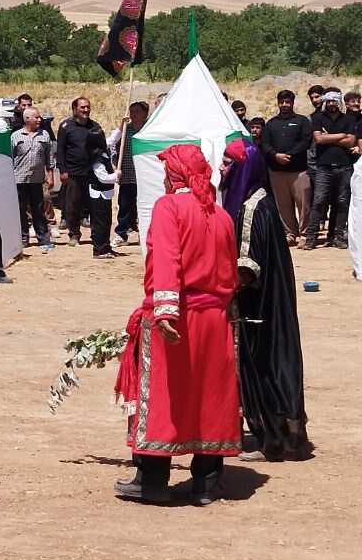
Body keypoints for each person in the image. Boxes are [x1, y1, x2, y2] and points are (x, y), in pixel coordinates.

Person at [111, 144, 241, 506]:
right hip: (215, 318)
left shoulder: (169, 207)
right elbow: (230, 271)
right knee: (208, 395)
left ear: (176, 175)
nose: (165, 177)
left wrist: (165, 311)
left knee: (165, 396)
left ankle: (151, 479)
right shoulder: (221, 214)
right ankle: (207, 483)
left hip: (178, 317)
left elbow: (167, 258)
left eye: (168, 171)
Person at [221, 138, 309, 462]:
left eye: (229, 163)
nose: (223, 169)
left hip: (258, 310)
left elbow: (247, 268)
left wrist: (220, 292)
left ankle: (270, 437)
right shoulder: (261, 201)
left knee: (261, 365)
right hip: (271, 304)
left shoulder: (251, 209)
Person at [261, 90, 313, 246]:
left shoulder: (302, 121)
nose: (284, 105)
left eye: (287, 102)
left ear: (292, 103)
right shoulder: (271, 123)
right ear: (278, 103)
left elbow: (306, 141)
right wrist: (275, 155)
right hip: (276, 171)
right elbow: (264, 142)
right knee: (283, 205)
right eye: (282, 102)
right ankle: (289, 234)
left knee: (303, 203)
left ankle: (305, 234)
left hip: (298, 171)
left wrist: (289, 155)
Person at [305, 88, 355, 249]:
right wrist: (341, 135)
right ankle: (311, 237)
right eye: (329, 101)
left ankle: (337, 236)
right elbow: (318, 139)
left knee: (341, 202)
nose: (331, 103)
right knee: (319, 201)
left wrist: (329, 137)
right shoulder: (318, 118)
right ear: (325, 102)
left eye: (334, 101)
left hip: (344, 166)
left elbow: (351, 142)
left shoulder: (347, 119)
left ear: (339, 102)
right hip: (323, 167)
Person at [55, 97, 102, 245]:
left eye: (88, 107)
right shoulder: (65, 127)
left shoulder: (95, 127)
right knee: (72, 206)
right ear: (74, 109)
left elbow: (102, 148)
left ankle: (96, 235)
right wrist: (62, 170)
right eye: (82, 107)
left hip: (92, 173)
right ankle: (74, 234)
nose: (86, 110)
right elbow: (60, 150)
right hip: (73, 173)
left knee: (95, 206)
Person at [10, 107, 53, 251]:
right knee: (20, 210)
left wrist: (50, 176)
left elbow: (49, 158)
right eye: (36, 117)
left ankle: (43, 238)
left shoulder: (44, 135)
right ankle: (23, 237)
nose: (39, 120)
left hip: (36, 179)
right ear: (26, 119)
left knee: (38, 209)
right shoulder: (15, 136)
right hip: (19, 179)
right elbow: (10, 158)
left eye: (39, 117)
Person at [108, 101, 148, 246]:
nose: (134, 115)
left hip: (144, 175)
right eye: (132, 112)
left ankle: (144, 233)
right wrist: (113, 163)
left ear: (144, 113)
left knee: (144, 205)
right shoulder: (125, 130)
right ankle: (121, 234)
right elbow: (112, 144)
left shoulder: (149, 130)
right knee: (124, 205)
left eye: (137, 111)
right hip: (127, 173)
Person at [87, 132, 117, 259]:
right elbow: (103, 178)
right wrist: (116, 175)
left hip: (105, 194)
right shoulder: (97, 160)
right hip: (98, 195)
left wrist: (121, 127)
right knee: (100, 223)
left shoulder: (103, 152)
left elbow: (112, 139)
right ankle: (99, 249)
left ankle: (105, 246)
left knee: (106, 222)